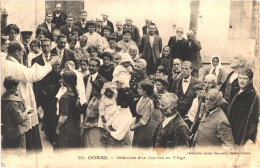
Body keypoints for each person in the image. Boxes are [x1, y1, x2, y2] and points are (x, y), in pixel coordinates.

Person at [1, 41, 59, 152]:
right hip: (18, 100)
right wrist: (50, 64)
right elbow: (34, 75)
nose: (23, 54)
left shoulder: (4, 62)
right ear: (17, 52)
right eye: (22, 51)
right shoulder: (15, 66)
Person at [228, 68, 259, 146]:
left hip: (240, 137)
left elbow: (249, 121)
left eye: (245, 78)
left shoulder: (252, 96)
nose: (241, 81)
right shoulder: (236, 91)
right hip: (231, 132)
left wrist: (241, 140)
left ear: (251, 80)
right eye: (240, 78)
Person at [1, 76, 32, 152]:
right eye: (17, 86)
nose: (18, 88)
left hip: (6, 131)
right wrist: (27, 111)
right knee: (19, 152)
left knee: (8, 152)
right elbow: (19, 118)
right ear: (14, 87)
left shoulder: (3, 98)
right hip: (16, 132)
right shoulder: (14, 103)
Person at [55, 71, 81, 149]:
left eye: (62, 79)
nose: (60, 81)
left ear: (67, 81)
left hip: (67, 128)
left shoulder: (65, 97)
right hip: (75, 127)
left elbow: (64, 116)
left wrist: (57, 128)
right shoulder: (75, 94)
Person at [131, 80, 157, 148]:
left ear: (145, 91)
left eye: (139, 88)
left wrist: (134, 127)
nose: (137, 90)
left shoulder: (149, 102)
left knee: (141, 144)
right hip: (138, 122)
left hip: (145, 127)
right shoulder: (142, 98)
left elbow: (144, 120)